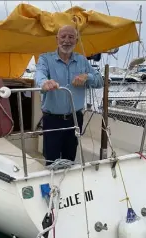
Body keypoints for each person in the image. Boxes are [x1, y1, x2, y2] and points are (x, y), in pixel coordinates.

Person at [34, 25, 104, 165]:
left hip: (75, 119)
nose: (67, 40)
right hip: (52, 120)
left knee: (70, 158)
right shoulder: (45, 59)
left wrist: (87, 77)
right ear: (57, 39)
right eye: (63, 36)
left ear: (76, 41)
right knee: (51, 160)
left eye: (71, 37)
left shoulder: (82, 61)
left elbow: (100, 81)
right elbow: (39, 75)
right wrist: (45, 82)